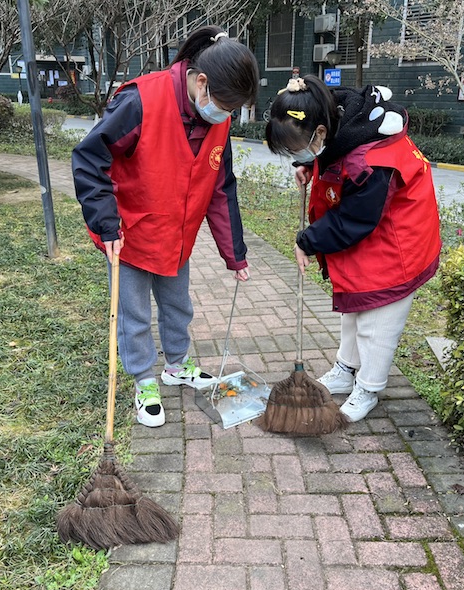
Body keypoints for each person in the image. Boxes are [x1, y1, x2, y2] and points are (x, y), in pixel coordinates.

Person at [73, 26, 259, 428]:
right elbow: (90, 159)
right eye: (225, 105)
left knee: (178, 306)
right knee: (134, 313)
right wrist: (106, 225)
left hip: (177, 235)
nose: (226, 115)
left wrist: (235, 254)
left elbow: (221, 188)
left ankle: (177, 366)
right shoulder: (140, 100)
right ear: (201, 83)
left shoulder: (218, 118)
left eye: (233, 110)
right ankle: (144, 379)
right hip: (131, 233)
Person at [265, 75, 441, 423]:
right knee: (353, 309)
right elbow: (332, 153)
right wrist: (309, 163)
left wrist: (308, 241)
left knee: (377, 322)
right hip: (372, 234)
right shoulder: (337, 118)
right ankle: (346, 369)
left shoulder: (373, 162)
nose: (295, 155)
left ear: (319, 133)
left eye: (298, 148)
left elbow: (355, 218)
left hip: (398, 243)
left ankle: (369, 387)